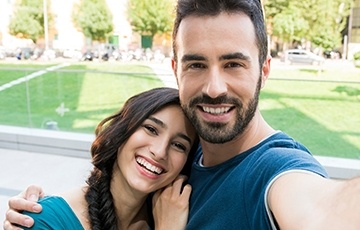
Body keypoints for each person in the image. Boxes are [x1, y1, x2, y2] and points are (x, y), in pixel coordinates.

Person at [4, 0, 360, 229]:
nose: (215, 87)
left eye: (233, 63)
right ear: (176, 69)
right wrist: (45, 213)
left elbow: (322, 210)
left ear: (264, 69)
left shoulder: (276, 171)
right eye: (197, 64)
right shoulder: (183, 163)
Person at [4, 87, 199, 230]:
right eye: (151, 129)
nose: (160, 151)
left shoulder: (174, 215)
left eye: (179, 145)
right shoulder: (42, 221)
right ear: (121, 131)